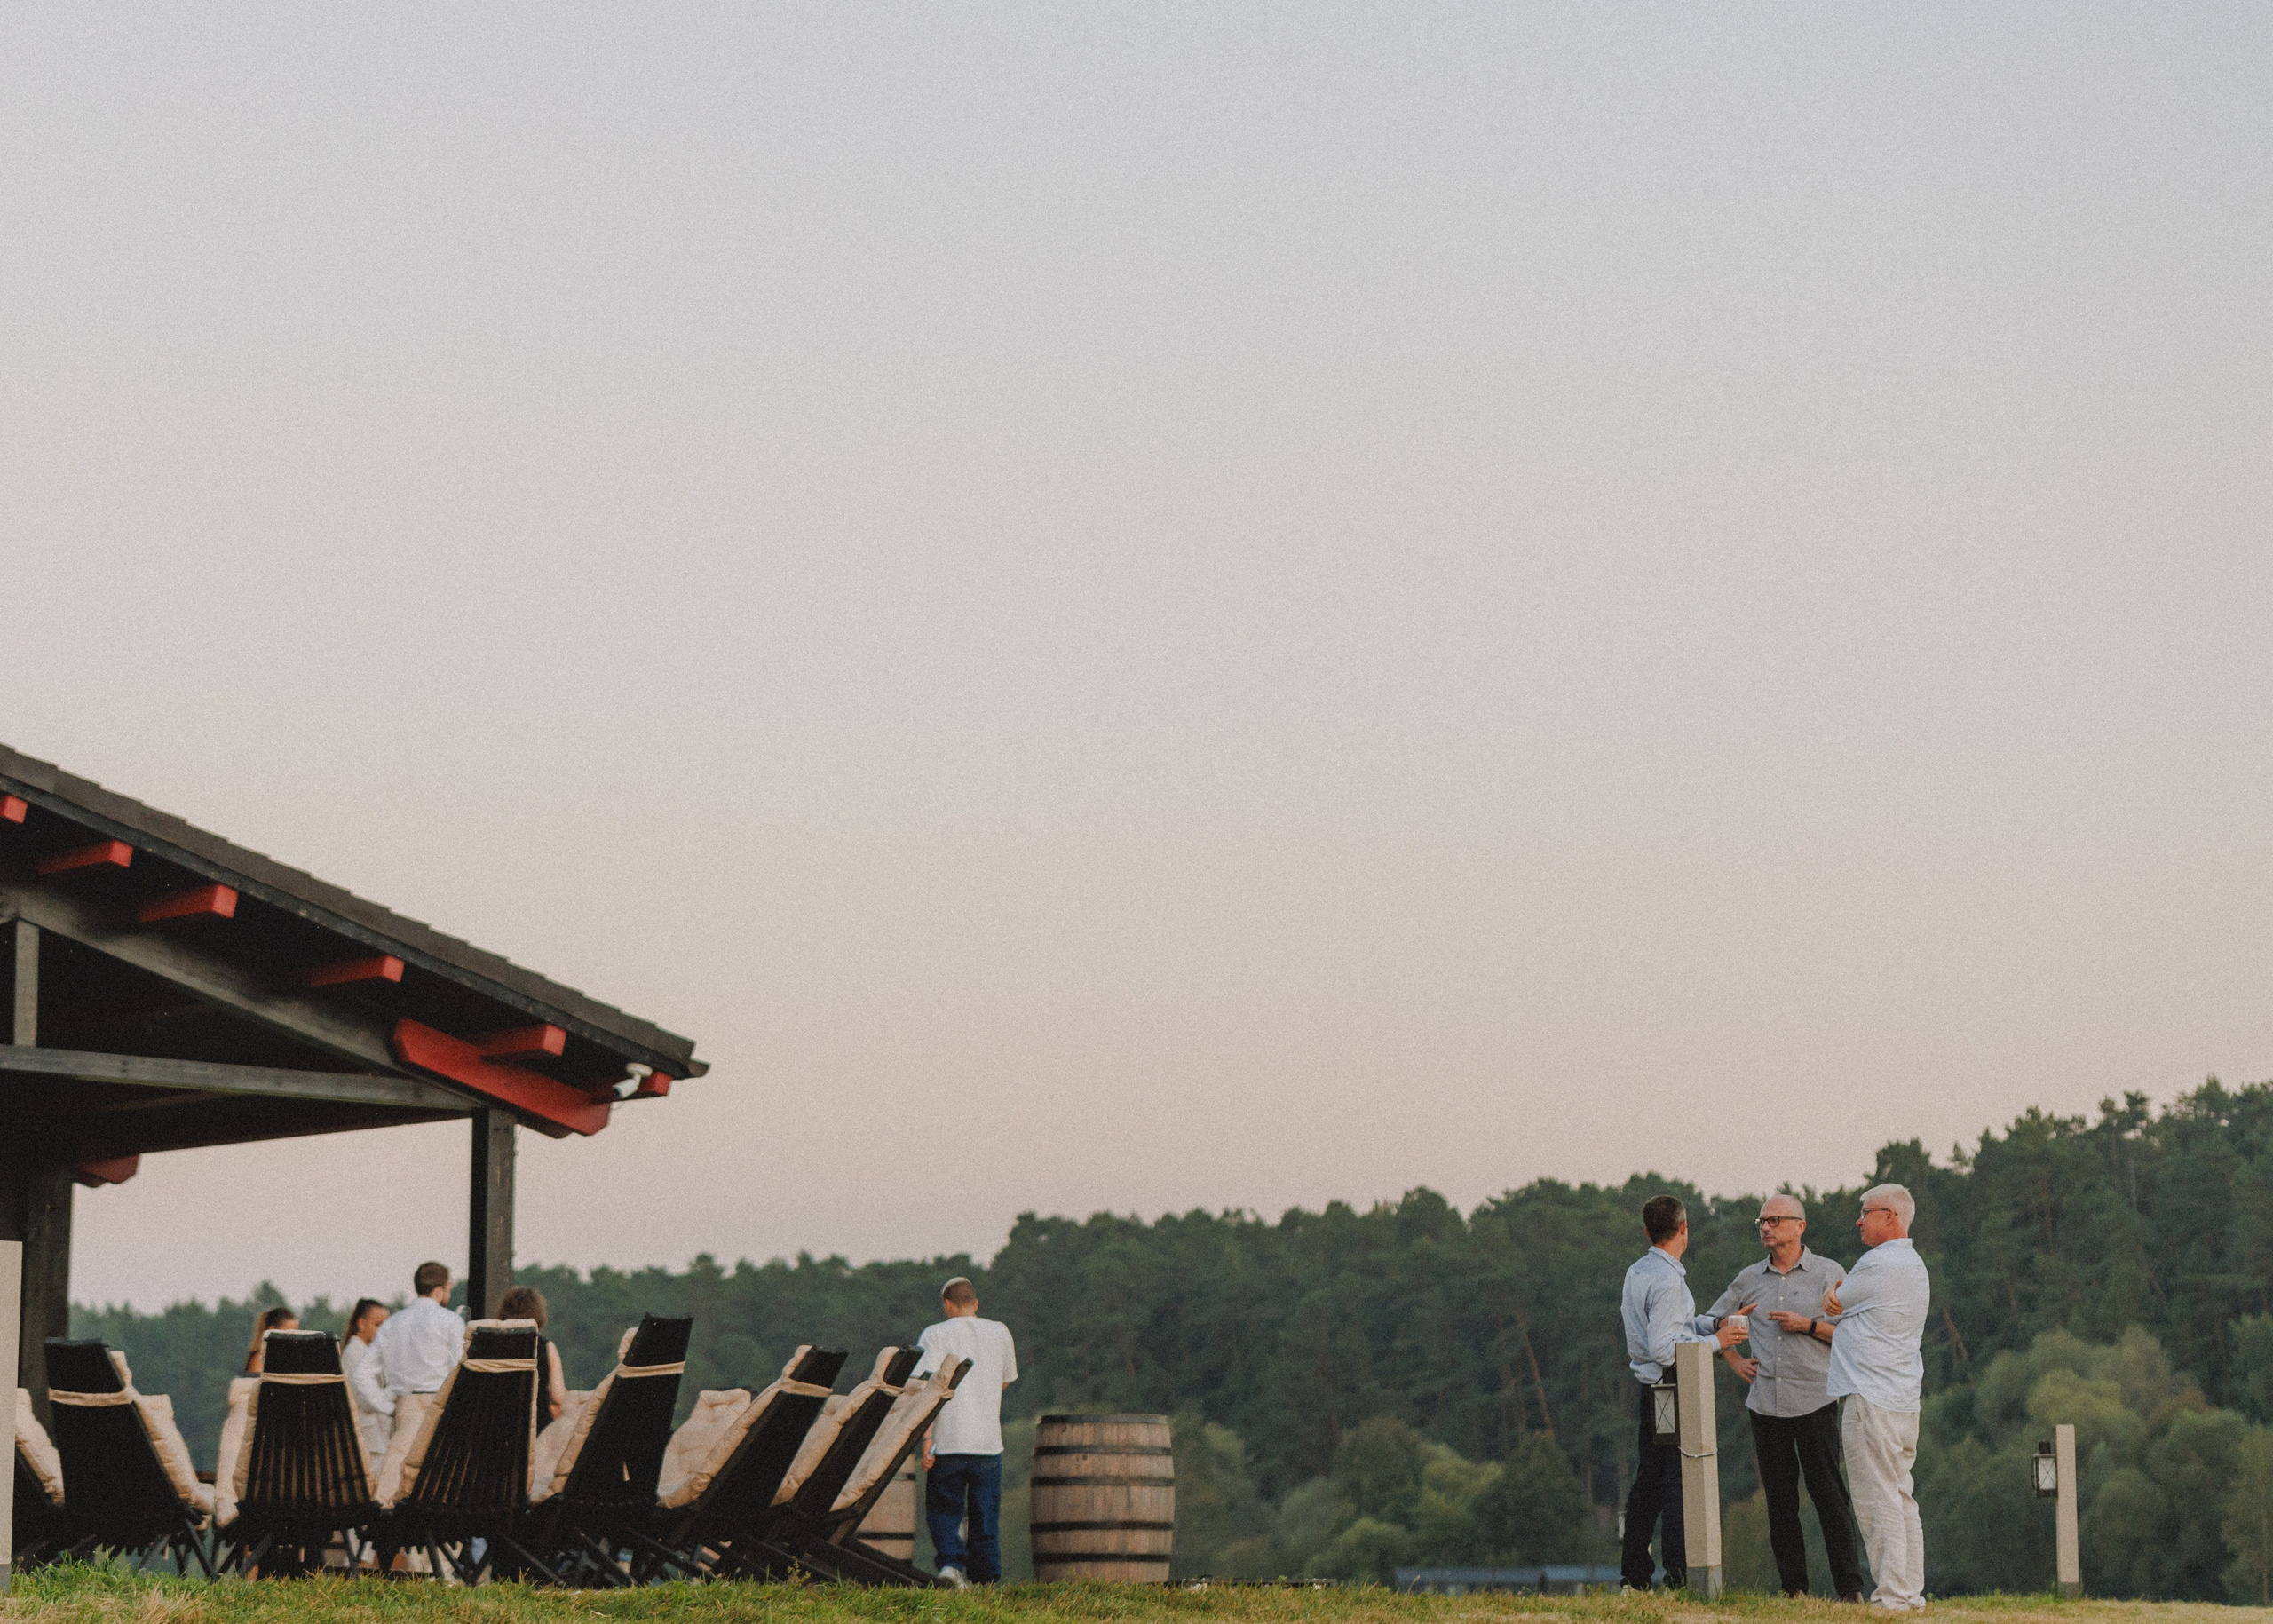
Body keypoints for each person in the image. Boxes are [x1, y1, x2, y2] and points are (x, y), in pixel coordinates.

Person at [1703, 1193, 1866, 1600]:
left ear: (1800, 1226)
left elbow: (1849, 1335)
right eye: (1762, 1220)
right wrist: (1732, 1358)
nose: (1766, 1227)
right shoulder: (1748, 1278)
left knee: (1829, 1498)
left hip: (1815, 1400)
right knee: (1780, 1503)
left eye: (1775, 1220)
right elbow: (1713, 1321)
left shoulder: (1829, 1273)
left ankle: (1850, 1592)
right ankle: (1795, 1591)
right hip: (1766, 1404)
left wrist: (1807, 1324)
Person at [1620, 1195, 1750, 1592]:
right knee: (1678, 1483)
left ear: (1646, 1231)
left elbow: (1673, 1325)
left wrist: (1713, 1323)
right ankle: (1678, 1576)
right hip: (1672, 1387)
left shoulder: (1637, 1272)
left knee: (1649, 1483)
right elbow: (1665, 1347)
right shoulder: (1669, 1281)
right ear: (1684, 1230)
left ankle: (1634, 1576)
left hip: (1649, 1389)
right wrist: (1720, 1341)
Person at [1824, 1183, 1932, 1613]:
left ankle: (1892, 1595)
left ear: (1890, 1216)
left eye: (1865, 1212)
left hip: (1871, 1395)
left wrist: (1836, 1294)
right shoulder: (1914, 1264)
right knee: (1901, 1494)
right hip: (1902, 1397)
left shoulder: (1877, 1262)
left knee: (1876, 1498)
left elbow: (1833, 1301)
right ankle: (1910, 1592)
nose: (1859, 1220)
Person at [915, 1276, 1018, 1590]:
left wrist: (927, 1439)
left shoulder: (934, 1334)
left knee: (945, 1509)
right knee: (985, 1514)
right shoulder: (1000, 1332)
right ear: (975, 1304)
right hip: (987, 1443)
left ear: (947, 1305)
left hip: (948, 1442)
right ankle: (986, 1579)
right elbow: (1006, 1380)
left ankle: (951, 1567)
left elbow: (926, 1389)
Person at [347, 1261, 465, 1434]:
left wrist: (387, 1408)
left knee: (401, 1458)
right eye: (449, 1288)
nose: (448, 1294)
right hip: (440, 1407)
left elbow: (361, 1374)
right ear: (439, 1291)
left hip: (405, 1408)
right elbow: (458, 1369)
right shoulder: (451, 1321)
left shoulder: (392, 1323)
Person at [497, 1284, 569, 1423]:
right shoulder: (546, 1347)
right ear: (537, 1313)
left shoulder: (489, 1345)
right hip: (536, 1427)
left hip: (495, 1427)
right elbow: (558, 1396)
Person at [338, 1298, 392, 1465]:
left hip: (378, 1437)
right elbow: (368, 1398)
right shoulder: (353, 1354)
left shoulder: (370, 1354)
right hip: (368, 1441)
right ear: (362, 1324)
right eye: (378, 1325)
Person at [243, 1305, 299, 1374]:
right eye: (289, 1333)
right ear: (272, 1331)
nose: (295, 1338)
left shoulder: (288, 1359)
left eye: (296, 1333)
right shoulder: (259, 1360)